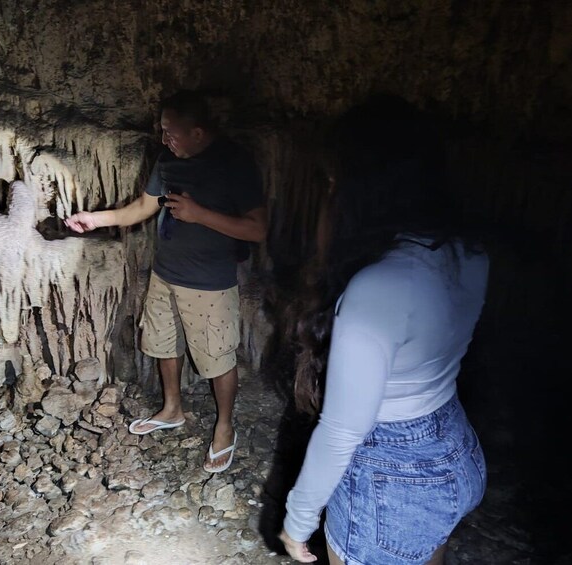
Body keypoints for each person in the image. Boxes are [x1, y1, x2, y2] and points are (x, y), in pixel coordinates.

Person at [276, 94, 489, 564]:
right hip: (455, 448)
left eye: (333, 181)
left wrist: (298, 520)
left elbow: (342, 430)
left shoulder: (379, 287)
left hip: (393, 477)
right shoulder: (467, 251)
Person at [64, 89, 267, 473]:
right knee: (162, 343)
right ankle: (172, 408)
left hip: (210, 281)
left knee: (218, 358)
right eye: (162, 131)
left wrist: (198, 214)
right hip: (167, 272)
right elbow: (143, 207)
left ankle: (225, 428)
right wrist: (96, 219)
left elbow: (257, 229)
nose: (164, 139)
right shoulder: (168, 161)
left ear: (199, 132)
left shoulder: (234, 163)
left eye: (171, 132)